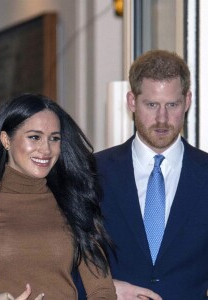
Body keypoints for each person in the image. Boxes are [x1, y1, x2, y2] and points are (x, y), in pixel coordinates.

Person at [0, 93, 117, 300]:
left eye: (54, 138)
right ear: (6, 140)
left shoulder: (73, 204)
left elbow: (103, 291)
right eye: (34, 137)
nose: (46, 149)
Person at [77, 49, 208, 299]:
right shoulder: (93, 172)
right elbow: (69, 257)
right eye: (151, 105)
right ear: (131, 102)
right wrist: (104, 287)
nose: (162, 118)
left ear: (188, 101)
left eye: (172, 105)